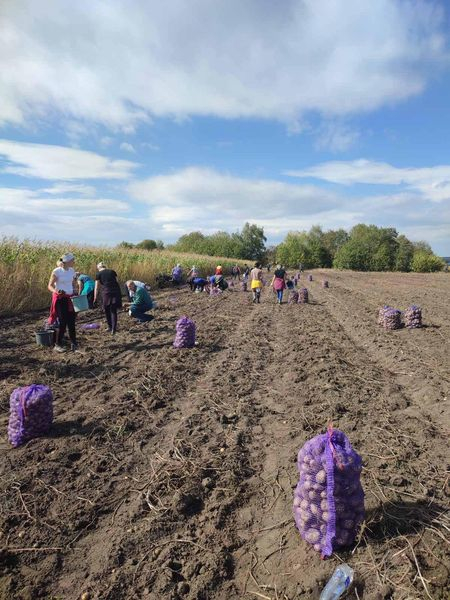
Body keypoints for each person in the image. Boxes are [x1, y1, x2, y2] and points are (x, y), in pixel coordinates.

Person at [47, 252, 78, 352]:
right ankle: (58, 344)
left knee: (72, 321)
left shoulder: (72, 270)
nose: (74, 262)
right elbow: (50, 285)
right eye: (72, 260)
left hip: (70, 298)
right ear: (67, 261)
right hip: (61, 299)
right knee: (63, 321)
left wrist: (75, 290)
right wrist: (56, 291)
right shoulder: (57, 271)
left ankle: (74, 343)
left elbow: (73, 283)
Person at [94, 262, 122, 335]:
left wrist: (95, 297)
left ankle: (110, 327)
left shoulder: (98, 274)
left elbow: (96, 287)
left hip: (106, 292)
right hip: (115, 291)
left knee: (107, 310)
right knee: (113, 310)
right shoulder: (112, 271)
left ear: (99, 268)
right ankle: (113, 329)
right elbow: (117, 281)